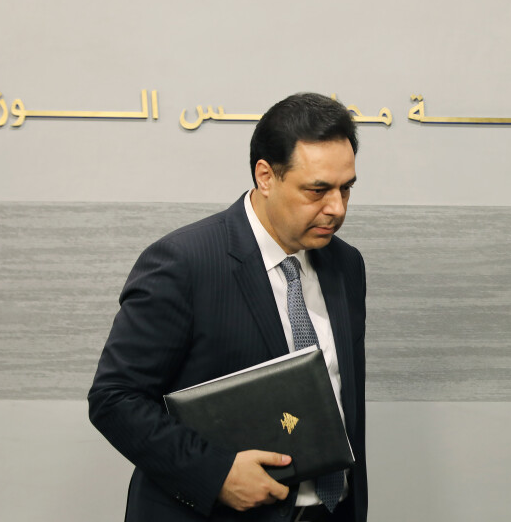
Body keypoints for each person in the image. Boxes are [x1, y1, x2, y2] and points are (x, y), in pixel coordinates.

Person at [88, 92, 367, 522]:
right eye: (318, 190)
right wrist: (215, 474)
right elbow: (114, 399)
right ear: (266, 176)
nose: (336, 208)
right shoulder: (184, 262)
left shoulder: (346, 264)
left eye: (346, 188)